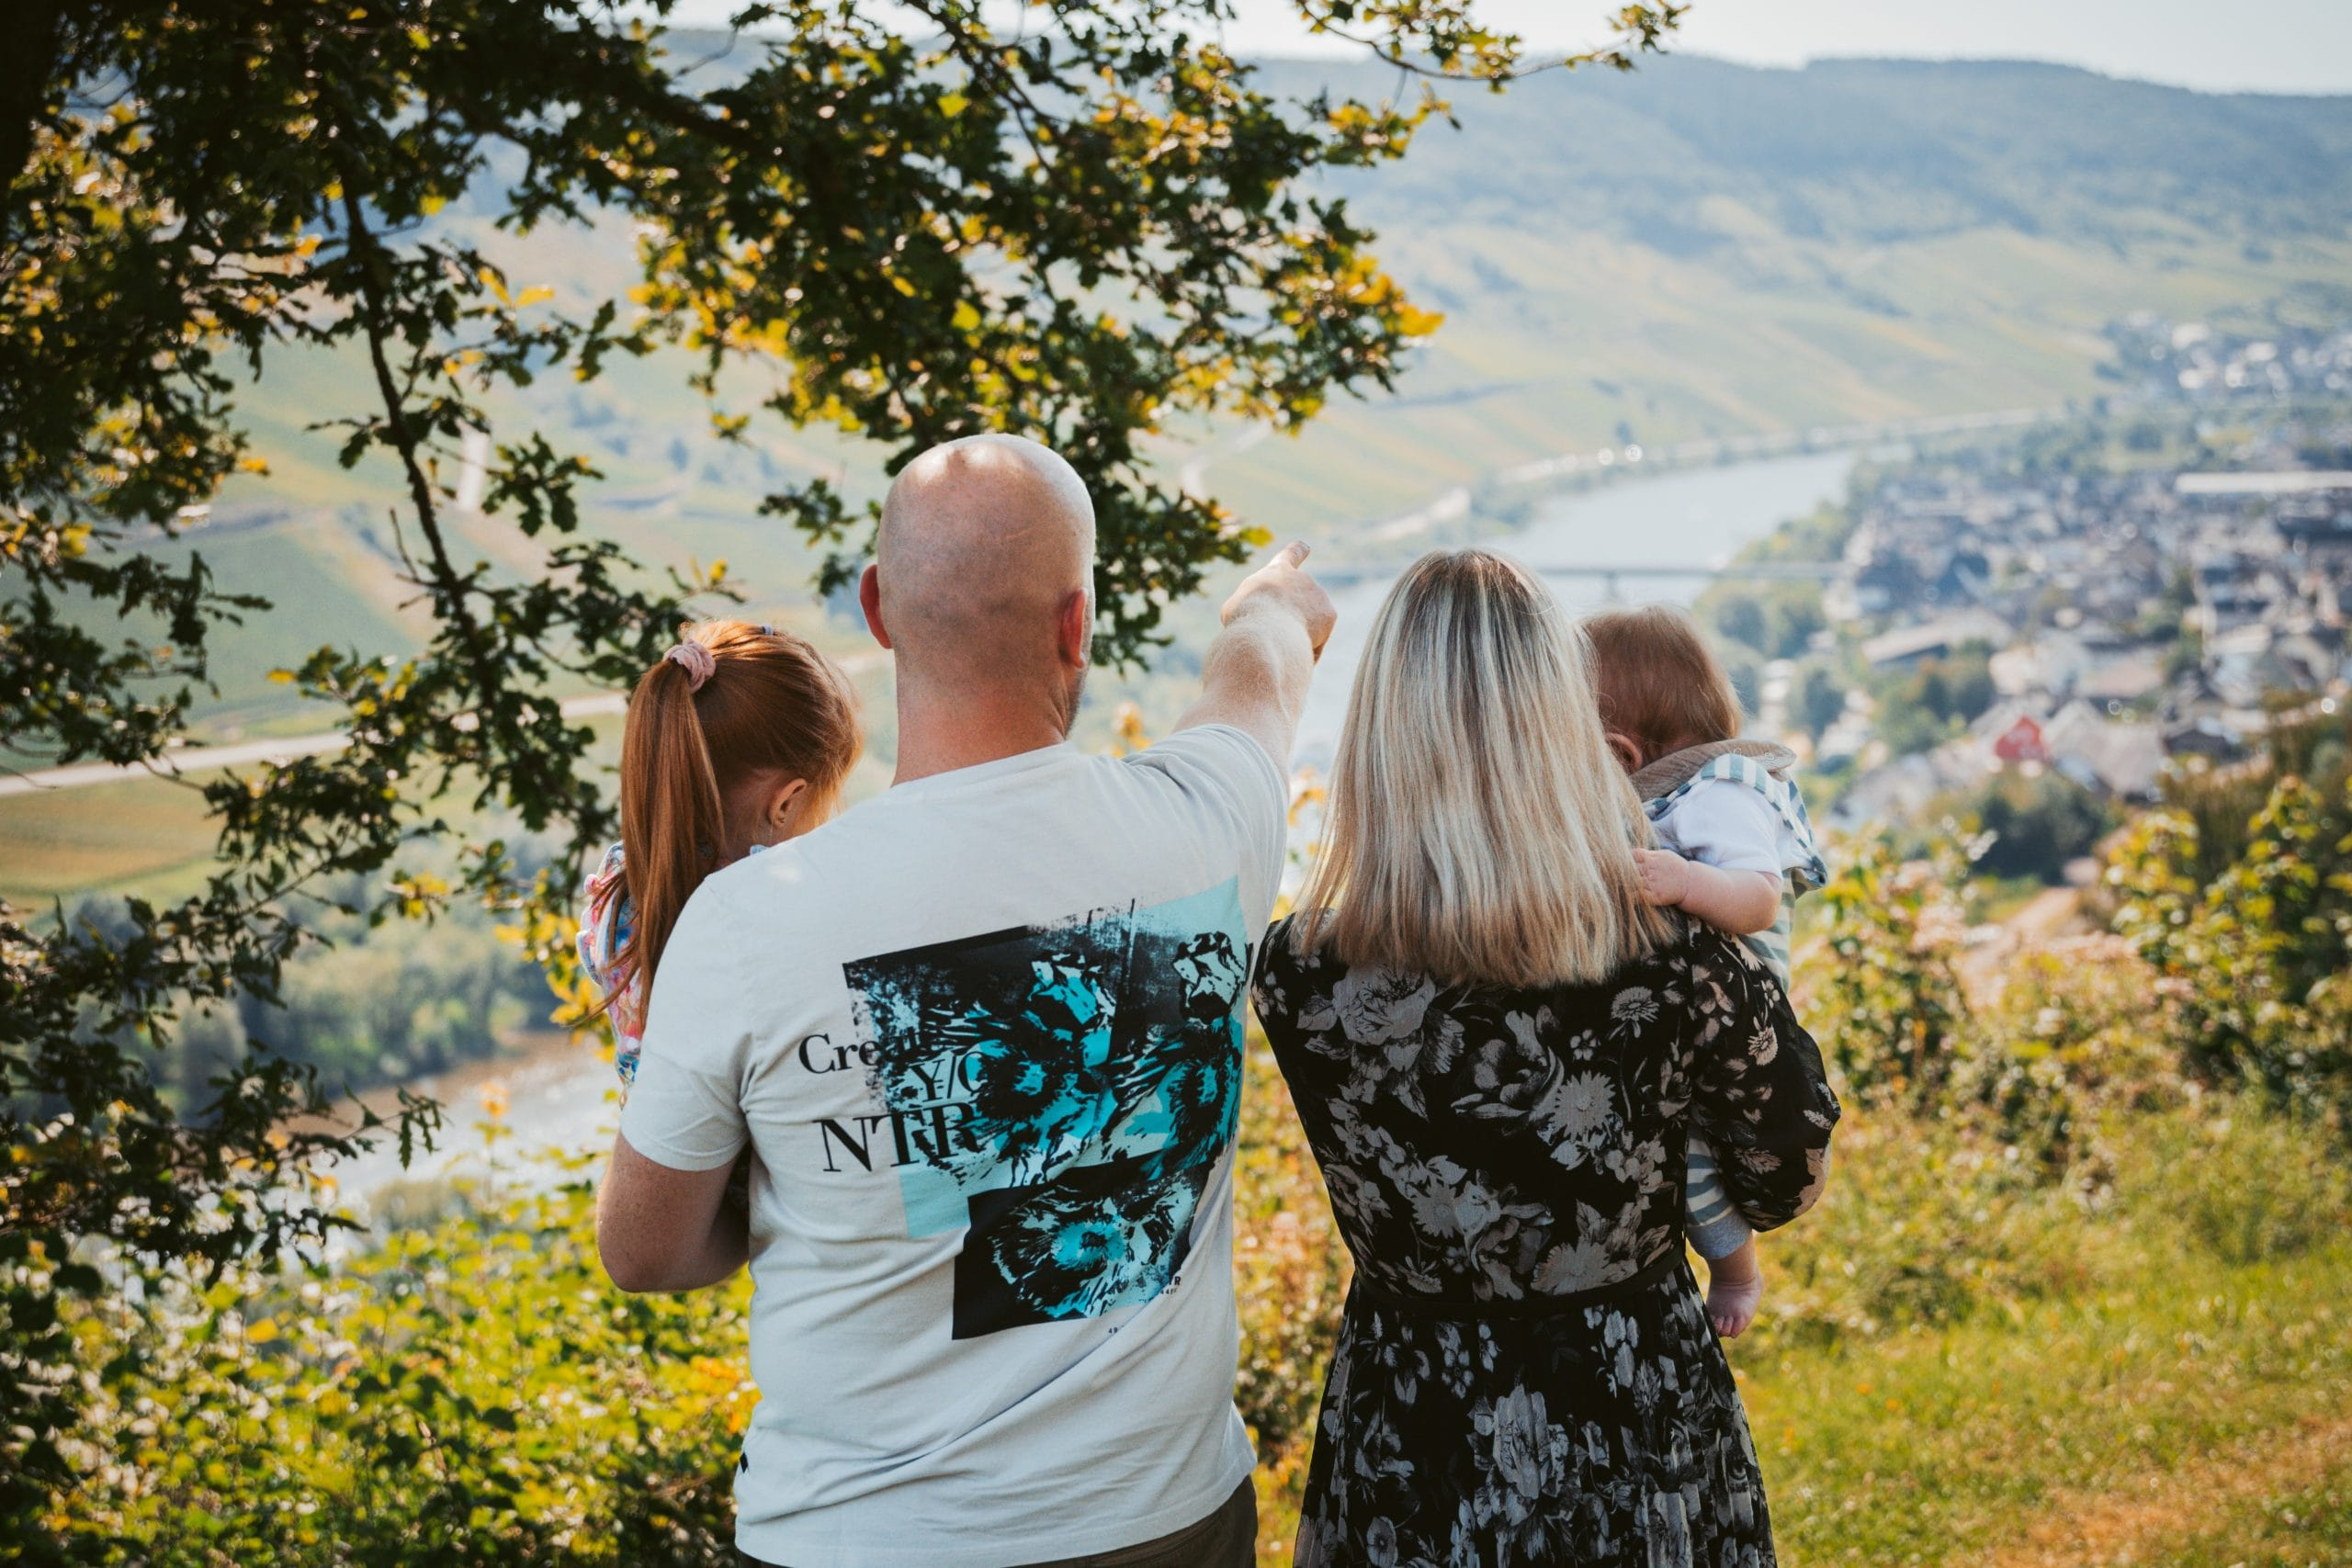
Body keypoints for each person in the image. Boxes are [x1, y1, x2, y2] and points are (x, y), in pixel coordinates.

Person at [595, 433, 1336, 1568]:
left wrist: (818, 1187)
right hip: (1161, 1523)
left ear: (879, 607)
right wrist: (1272, 602)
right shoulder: (1206, 822)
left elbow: (645, 1253)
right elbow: (1261, 674)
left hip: (861, 1535)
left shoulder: (749, 922)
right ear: (1076, 624)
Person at [1250, 548, 1838, 1567]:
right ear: (1562, 732)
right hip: (1633, 1423)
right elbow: (1783, 1178)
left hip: (1410, 1434)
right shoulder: (1675, 955)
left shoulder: (1300, 975)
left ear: (1383, 741)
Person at [1584, 602, 1831, 1338]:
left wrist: (1681, 882)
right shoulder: (1681, 793)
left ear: (1622, 755)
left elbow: (1757, 899)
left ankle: (1737, 1270)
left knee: (1694, 1156)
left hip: (1735, 1021)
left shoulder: (1719, 792)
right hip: (1694, 1013)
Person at [575, 618, 862, 1095]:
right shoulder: (766, 912)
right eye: (826, 802)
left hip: (656, 1144)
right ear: (787, 802)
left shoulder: (620, 887)